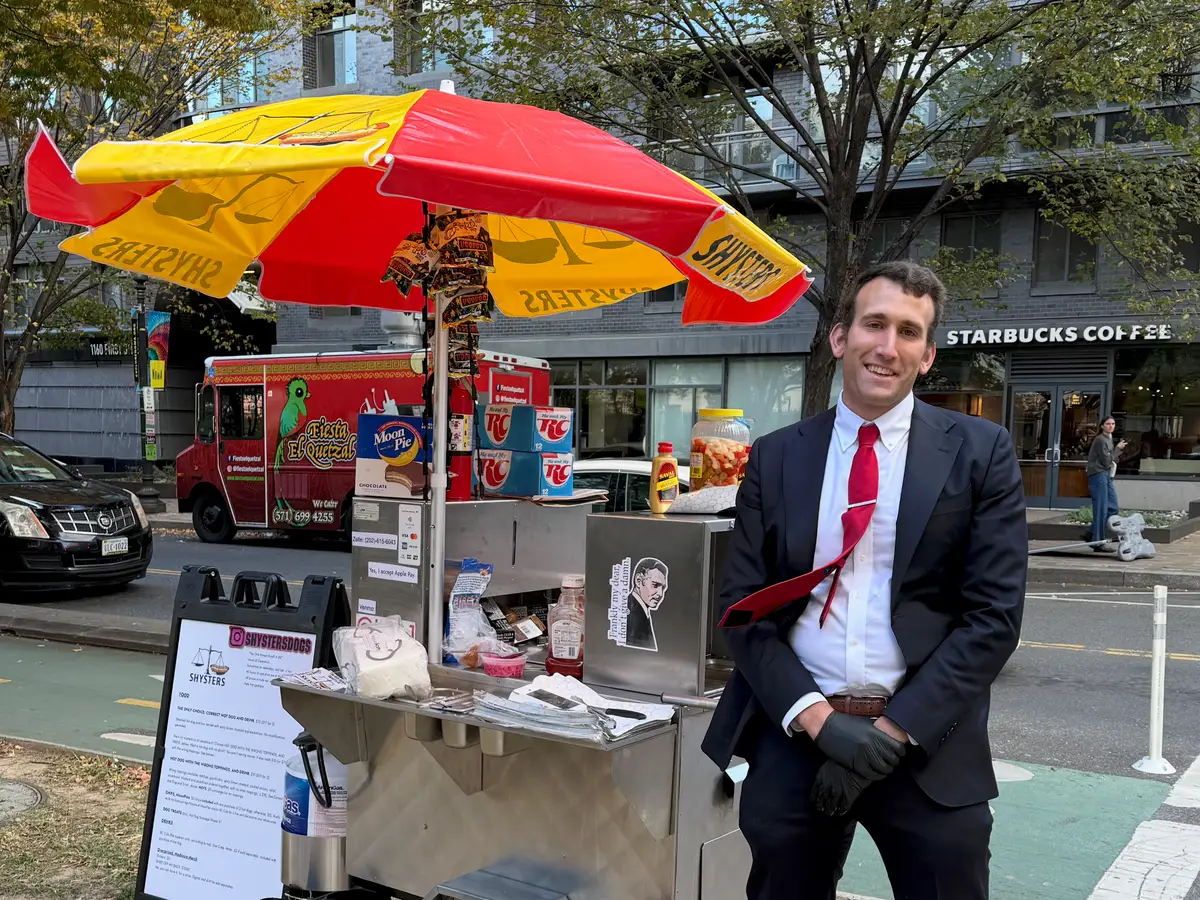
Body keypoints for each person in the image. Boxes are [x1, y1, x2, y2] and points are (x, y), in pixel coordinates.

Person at [702, 260, 1028, 900]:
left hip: (927, 740)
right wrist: (819, 720)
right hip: (800, 729)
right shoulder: (776, 455)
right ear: (839, 336)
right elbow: (743, 608)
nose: (888, 346)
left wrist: (892, 732)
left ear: (928, 355)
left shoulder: (980, 450)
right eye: (874, 324)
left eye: (909, 332)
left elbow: (993, 618)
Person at [1086, 417, 1127, 551]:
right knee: (1101, 509)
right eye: (1108, 424)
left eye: (1113, 424)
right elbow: (1106, 461)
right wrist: (1118, 449)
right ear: (1102, 426)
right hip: (1098, 475)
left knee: (1112, 507)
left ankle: (1091, 532)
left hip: (1106, 475)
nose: (1111, 426)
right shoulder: (1100, 439)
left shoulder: (1108, 438)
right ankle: (1097, 542)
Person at [623, 558, 668, 651]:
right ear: (638, 581)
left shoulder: (639, 610)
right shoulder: (631, 614)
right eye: (655, 585)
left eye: (663, 588)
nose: (660, 593)